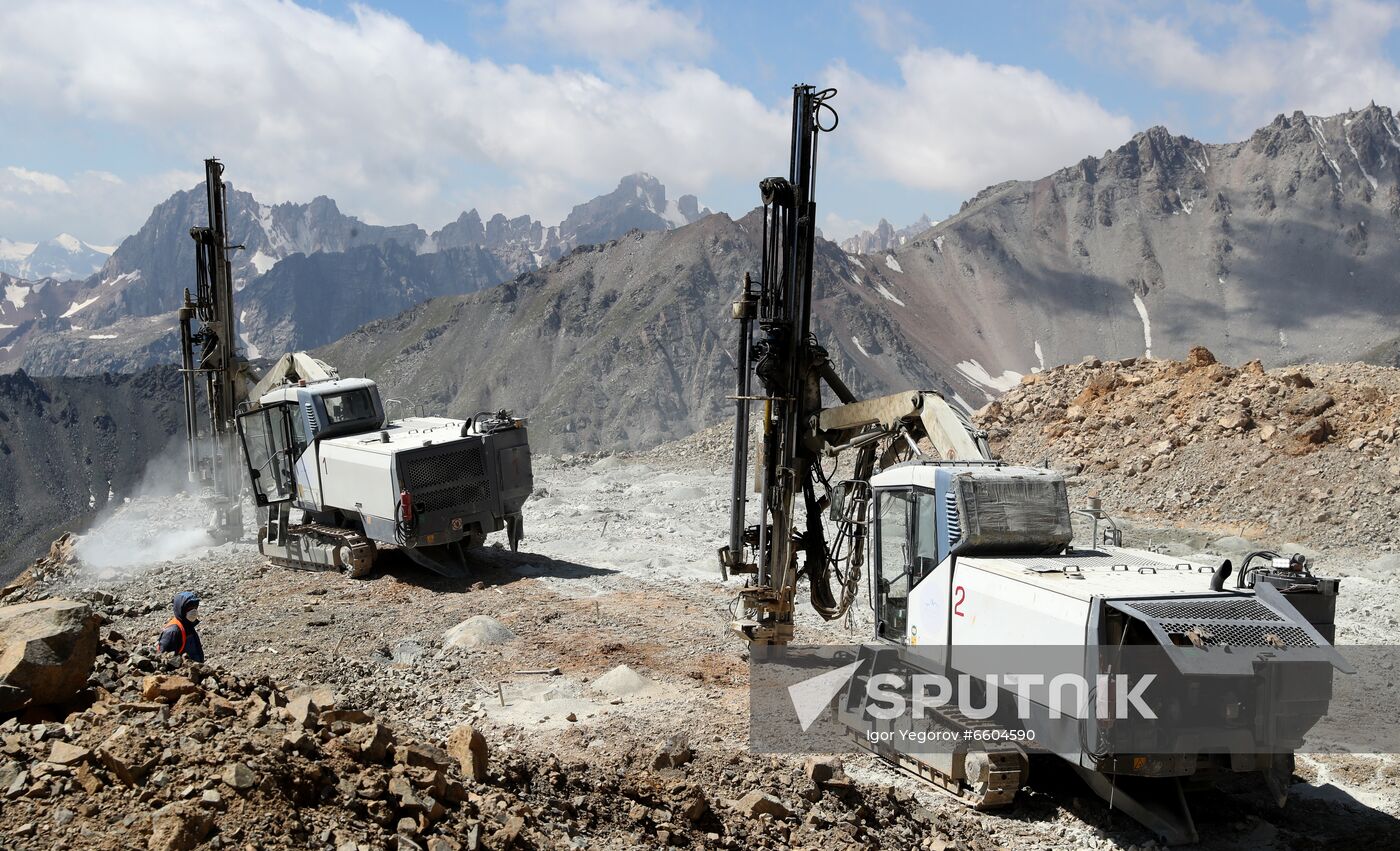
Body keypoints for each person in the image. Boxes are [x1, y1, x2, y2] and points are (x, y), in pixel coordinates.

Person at [157, 590, 205, 663]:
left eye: (195, 608)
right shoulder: (173, 632)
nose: (194, 611)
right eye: (189, 609)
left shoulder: (187, 624)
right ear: (181, 609)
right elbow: (164, 659)